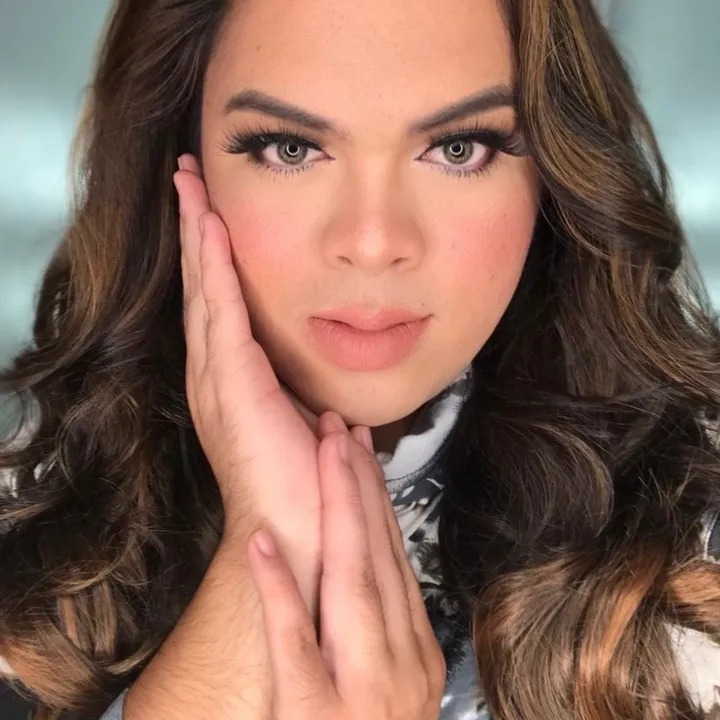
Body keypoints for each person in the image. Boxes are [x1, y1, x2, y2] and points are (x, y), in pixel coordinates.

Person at [0, 0, 719, 717]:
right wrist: (269, 543)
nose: (373, 242)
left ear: (555, 176)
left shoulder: (698, 564)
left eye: (459, 149)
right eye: (289, 149)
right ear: (178, 163)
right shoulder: (24, 543)